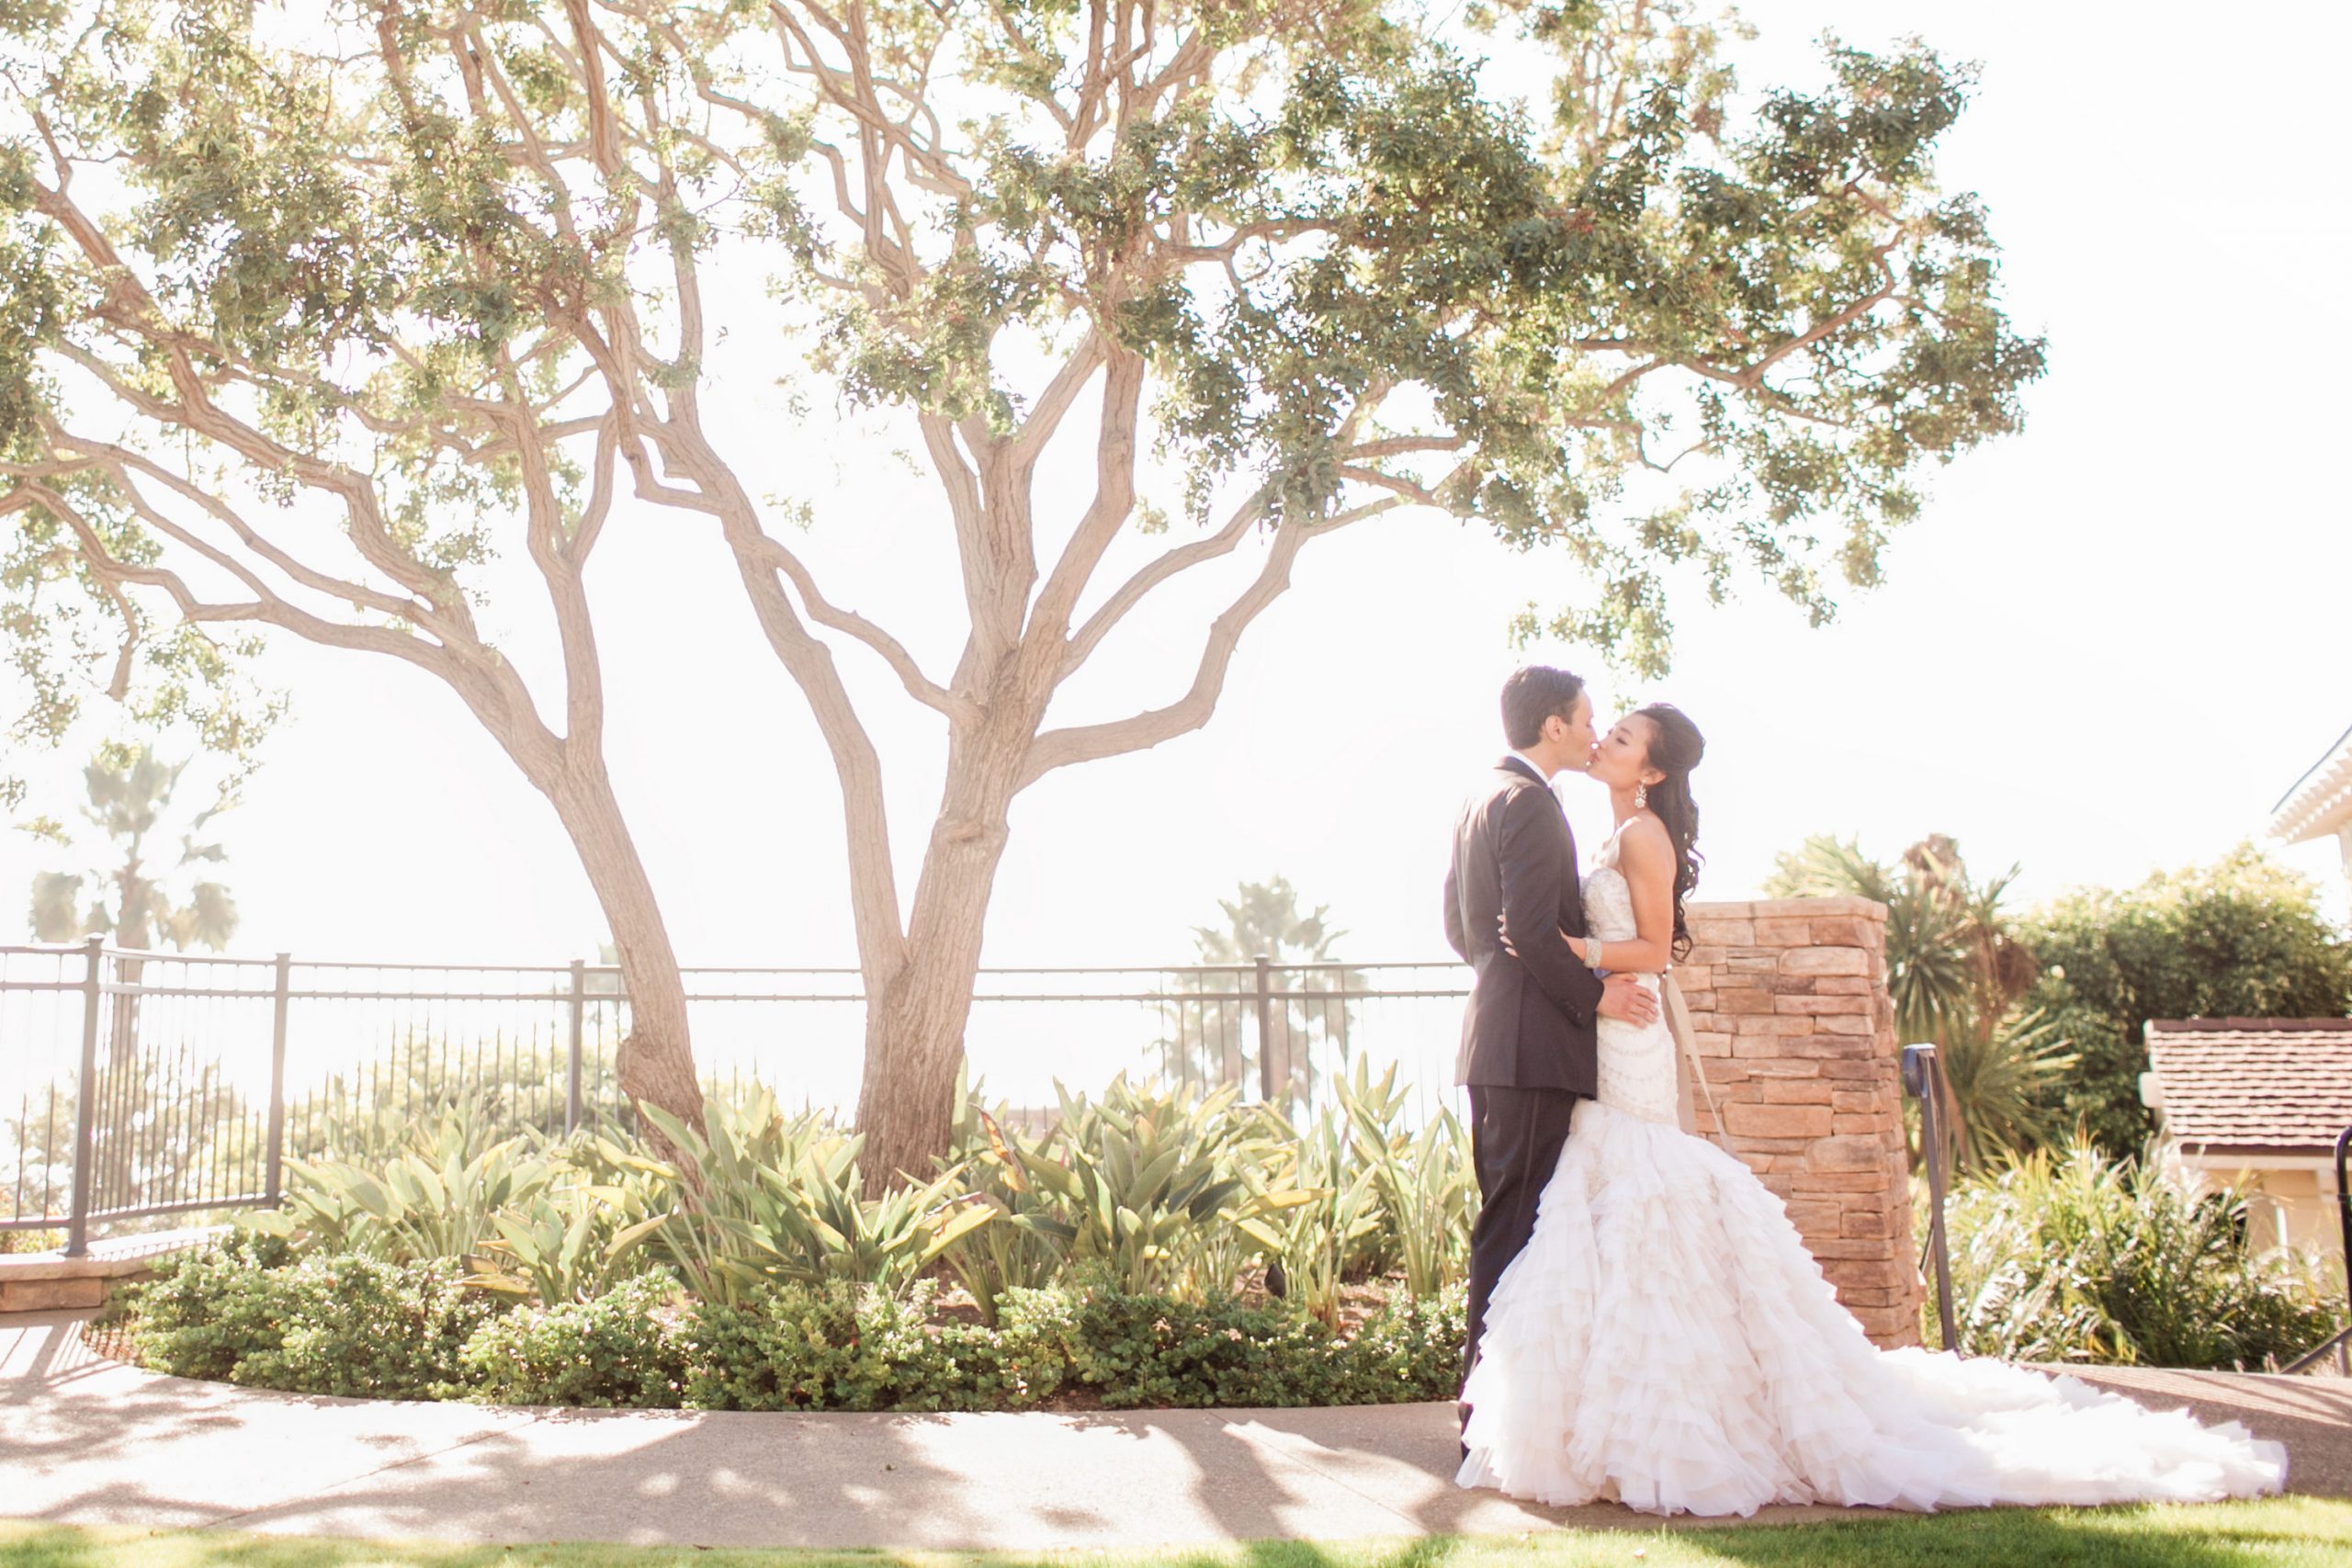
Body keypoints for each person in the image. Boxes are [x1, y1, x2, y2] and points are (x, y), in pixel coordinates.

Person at [1454, 701, 2288, 1515]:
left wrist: (1583, 953)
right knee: (1597, 1205)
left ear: (1653, 769)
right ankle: (1594, 1409)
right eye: (1604, 726)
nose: (1603, 737)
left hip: (1627, 1029)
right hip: (1601, 1032)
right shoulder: (1601, 829)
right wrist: (1587, 973)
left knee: (1641, 1191)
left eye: (1622, 734)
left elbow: (1656, 948)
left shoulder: (1642, 834)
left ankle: (1665, 1413)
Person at [1442, 666, 1658, 1436]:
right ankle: (1483, 1415)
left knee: (1510, 1219)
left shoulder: (1482, 795)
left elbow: (1460, 930)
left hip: (1494, 1041)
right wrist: (1597, 996)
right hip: (1530, 1050)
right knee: (1514, 1227)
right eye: (1588, 718)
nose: (1595, 731)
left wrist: (1501, 982)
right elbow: (1530, 932)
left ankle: (1499, 1409)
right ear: (1554, 725)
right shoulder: (1531, 802)